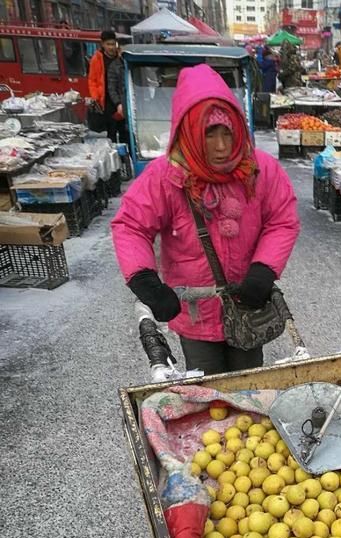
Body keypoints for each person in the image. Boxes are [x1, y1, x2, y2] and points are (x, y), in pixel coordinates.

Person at [111, 64, 300, 375]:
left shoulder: (260, 169)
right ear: (189, 132)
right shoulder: (165, 176)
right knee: (207, 389)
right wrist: (145, 281)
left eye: (229, 132)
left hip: (247, 304)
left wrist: (264, 269)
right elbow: (131, 226)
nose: (223, 146)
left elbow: (282, 220)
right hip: (194, 311)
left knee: (248, 384)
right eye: (209, 134)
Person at [88, 30, 123, 142]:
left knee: (124, 131)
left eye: (113, 44)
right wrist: (96, 97)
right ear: (102, 44)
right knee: (111, 132)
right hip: (106, 101)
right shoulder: (96, 59)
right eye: (108, 44)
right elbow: (92, 80)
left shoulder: (121, 57)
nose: (111, 47)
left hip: (120, 98)